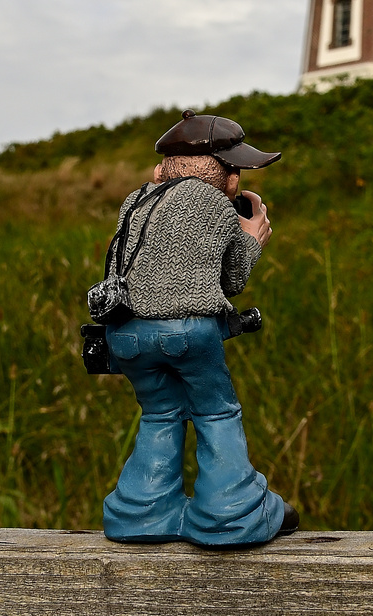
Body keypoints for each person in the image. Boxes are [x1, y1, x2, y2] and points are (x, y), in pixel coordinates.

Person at [97, 109, 298, 548]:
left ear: (158, 170)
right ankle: (230, 511)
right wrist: (252, 237)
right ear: (229, 179)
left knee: (160, 413)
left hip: (124, 334)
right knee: (215, 411)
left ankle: (141, 510)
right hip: (186, 331)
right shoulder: (213, 204)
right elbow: (232, 279)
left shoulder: (136, 200)